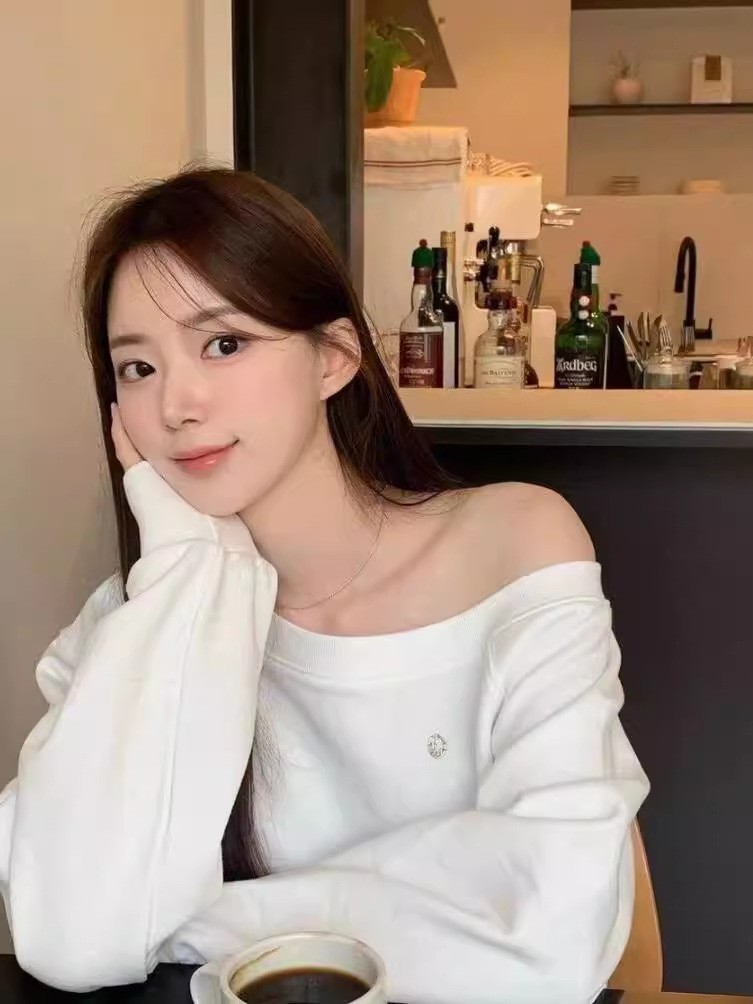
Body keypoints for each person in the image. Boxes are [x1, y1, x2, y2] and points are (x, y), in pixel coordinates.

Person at [0, 168, 648, 1002]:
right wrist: (189, 564)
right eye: (136, 367)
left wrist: (182, 927)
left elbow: (548, 933)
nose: (176, 405)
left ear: (334, 358)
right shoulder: (142, 617)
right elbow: (71, 939)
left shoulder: (514, 543)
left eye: (223, 344)